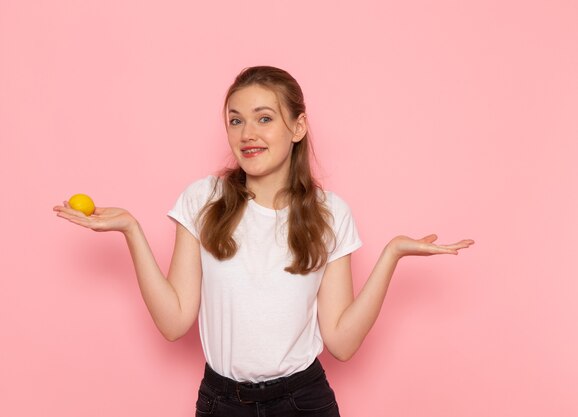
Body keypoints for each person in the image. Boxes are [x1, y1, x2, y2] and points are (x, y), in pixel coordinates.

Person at [53, 66, 474, 416]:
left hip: (303, 402)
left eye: (264, 118)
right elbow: (174, 321)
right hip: (221, 403)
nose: (246, 133)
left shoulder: (330, 213)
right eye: (235, 120)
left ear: (298, 126)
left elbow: (342, 344)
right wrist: (131, 230)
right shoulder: (203, 199)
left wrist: (391, 254)